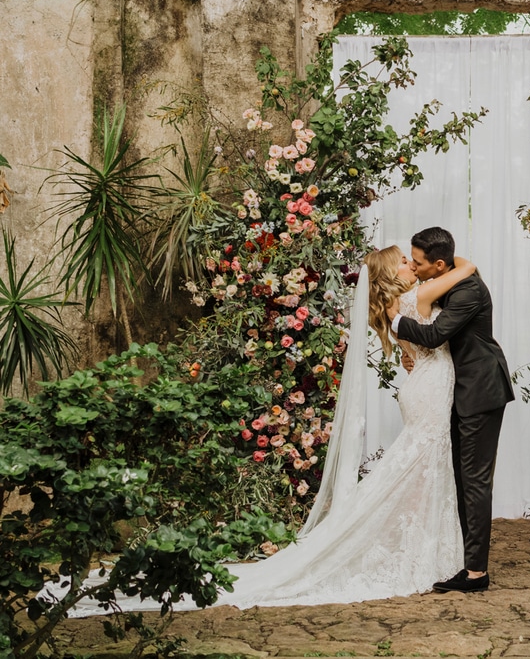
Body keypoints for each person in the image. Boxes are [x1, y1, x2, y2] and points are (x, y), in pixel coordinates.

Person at [58, 247, 475, 613]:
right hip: (429, 391)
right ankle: (418, 547)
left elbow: (417, 347)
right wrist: (440, 262)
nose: (411, 265)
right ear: (390, 276)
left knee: (419, 467)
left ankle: (419, 543)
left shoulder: (392, 308)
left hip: (421, 386)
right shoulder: (413, 295)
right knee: (420, 466)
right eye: (404, 261)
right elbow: (466, 267)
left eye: (412, 260)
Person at [389, 226, 514, 593]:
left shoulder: (468, 290)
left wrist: (393, 318)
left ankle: (476, 574)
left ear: (439, 265)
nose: (413, 266)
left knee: (474, 480)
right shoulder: (451, 274)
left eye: (418, 262)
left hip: (479, 391)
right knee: (460, 477)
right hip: (454, 390)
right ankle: (462, 558)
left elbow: (433, 335)